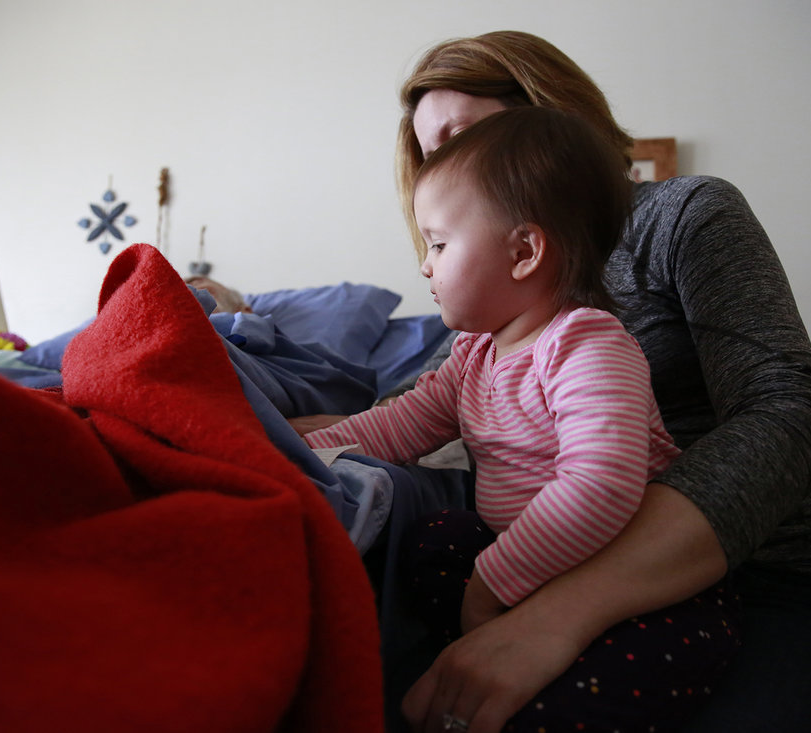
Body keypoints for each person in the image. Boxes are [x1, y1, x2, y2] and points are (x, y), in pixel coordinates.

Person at [372, 30, 811, 733]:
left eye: (461, 134)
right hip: (546, 575)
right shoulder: (491, 305)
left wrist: (561, 610)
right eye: (430, 154)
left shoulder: (683, 214)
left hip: (768, 575)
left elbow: (786, 413)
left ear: (545, 111)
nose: (447, 165)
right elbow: (423, 406)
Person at [296, 105, 741, 732]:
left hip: (643, 587)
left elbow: (602, 484)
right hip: (524, 567)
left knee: (581, 702)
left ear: (525, 250)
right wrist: (306, 449)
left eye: (441, 244)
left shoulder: (586, 344)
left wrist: (493, 584)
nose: (426, 265)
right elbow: (401, 425)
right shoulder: (475, 353)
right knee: (434, 540)